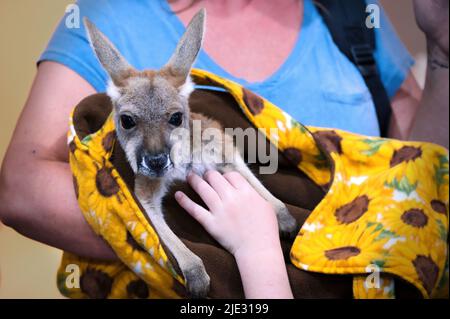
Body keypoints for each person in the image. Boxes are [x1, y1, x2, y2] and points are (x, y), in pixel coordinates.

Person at [0, 0, 448, 299]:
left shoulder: (350, 12)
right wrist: (248, 251)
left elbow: (415, 185)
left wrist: (442, 51)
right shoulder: (114, 13)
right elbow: (22, 186)